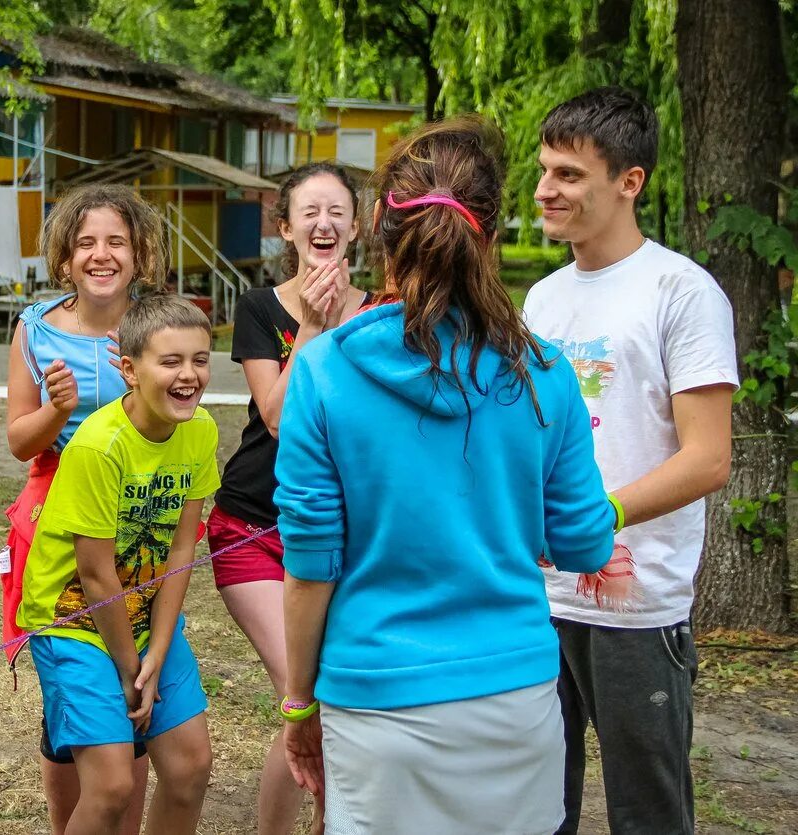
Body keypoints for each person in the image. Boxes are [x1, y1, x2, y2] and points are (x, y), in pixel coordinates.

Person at [274, 116, 617, 834]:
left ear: (376, 226)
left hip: (374, 701)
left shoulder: (323, 368)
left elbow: (309, 570)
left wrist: (299, 704)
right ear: (488, 235)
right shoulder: (545, 372)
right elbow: (585, 544)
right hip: (514, 698)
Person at [525, 87, 737, 835]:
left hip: (637, 607)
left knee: (647, 814)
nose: (546, 189)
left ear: (629, 181)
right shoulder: (540, 302)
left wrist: (598, 515)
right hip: (538, 599)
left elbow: (710, 457)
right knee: (533, 806)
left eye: (569, 175)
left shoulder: (682, 292)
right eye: (545, 170)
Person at [17, 293, 219, 835]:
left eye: (200, 359)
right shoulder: (100, 445)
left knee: (189, 766)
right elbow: (95, 574)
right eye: (170, 361)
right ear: (129, 369)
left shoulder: (200, 431)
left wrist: (158, 649)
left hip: (145, 614)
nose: (189, 375)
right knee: (110, 787)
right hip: (74, 621)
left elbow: (181, 550)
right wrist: (136, 673)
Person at [209, 161, 368, 834]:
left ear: (356, 226)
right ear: (286, 228)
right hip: (251, 527)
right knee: (304, 702)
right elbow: (277, 417)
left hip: (343, 531)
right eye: (309, 212)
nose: (323, 223)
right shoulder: (260, 308)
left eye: (337, 211)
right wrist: (309, 326)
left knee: (340, 703)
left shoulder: (384, 311)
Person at [3, 185, 167, 834]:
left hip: (136, 536)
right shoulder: (36, 328)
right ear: (64, 257)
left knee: (132, 690)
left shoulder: (155, 327)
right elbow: (19, 439)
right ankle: (66, 820)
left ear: (140, 254)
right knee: (70, 696)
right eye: (86, 243)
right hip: (62, 535)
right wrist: (56, 411)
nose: (101, 254)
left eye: (116, 241)